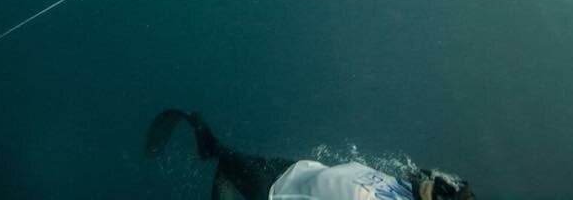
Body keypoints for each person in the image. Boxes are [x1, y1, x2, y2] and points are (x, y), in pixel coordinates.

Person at [145, 108, 475, 200]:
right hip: (300, 170)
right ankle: (214, 153)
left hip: (275, 192)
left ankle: (208, 144)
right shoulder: (411, 188)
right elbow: (418, 176)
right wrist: (434, 183)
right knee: (232, 160)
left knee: (225, 160)